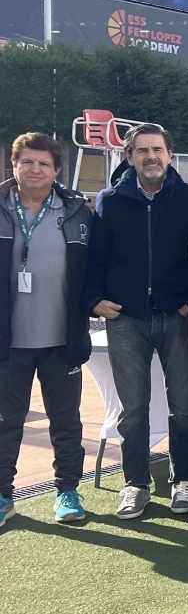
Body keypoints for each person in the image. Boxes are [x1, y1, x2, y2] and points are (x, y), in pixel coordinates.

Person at [82, 123, 188, 520]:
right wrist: (94, 301)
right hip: (126, 319)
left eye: (158, 149)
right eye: (142, 150)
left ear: (170, 155)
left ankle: (184, 480)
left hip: (179, 316)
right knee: (133, 409)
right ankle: (135, 483)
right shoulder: (108, 200)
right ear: (130, 157)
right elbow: (96, 259)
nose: (151, 156)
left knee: (185, 409)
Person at [0, 133, 92, 527]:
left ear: (57, 171)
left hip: (63, 339)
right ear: (14, 165)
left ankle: (67, 492)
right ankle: (4, 496)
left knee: (67, 421)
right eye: (27, 162)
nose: (35, 169)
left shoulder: (77, 212)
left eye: (44, 164)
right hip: (9, 343)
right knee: (6, 422)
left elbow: (95, 268)